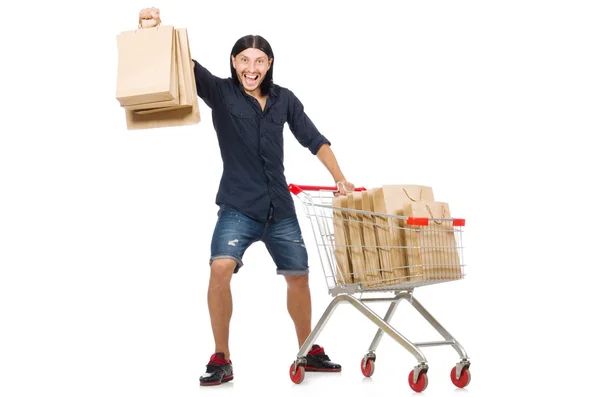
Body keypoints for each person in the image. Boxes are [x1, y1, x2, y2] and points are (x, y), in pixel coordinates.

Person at [138, 8, 356, 386]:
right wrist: (152, 31)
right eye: (244, 60)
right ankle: (221, 358)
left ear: (269, 63)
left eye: (259, 61)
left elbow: (314, 139)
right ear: (234, 63)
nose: (251, 68)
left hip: (280, 209)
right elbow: (180, 63)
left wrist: (340, 178)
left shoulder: (284, 99)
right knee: (220, 269)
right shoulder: (220, 92)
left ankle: (308, 349)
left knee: (298, 277)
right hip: (238, 207)